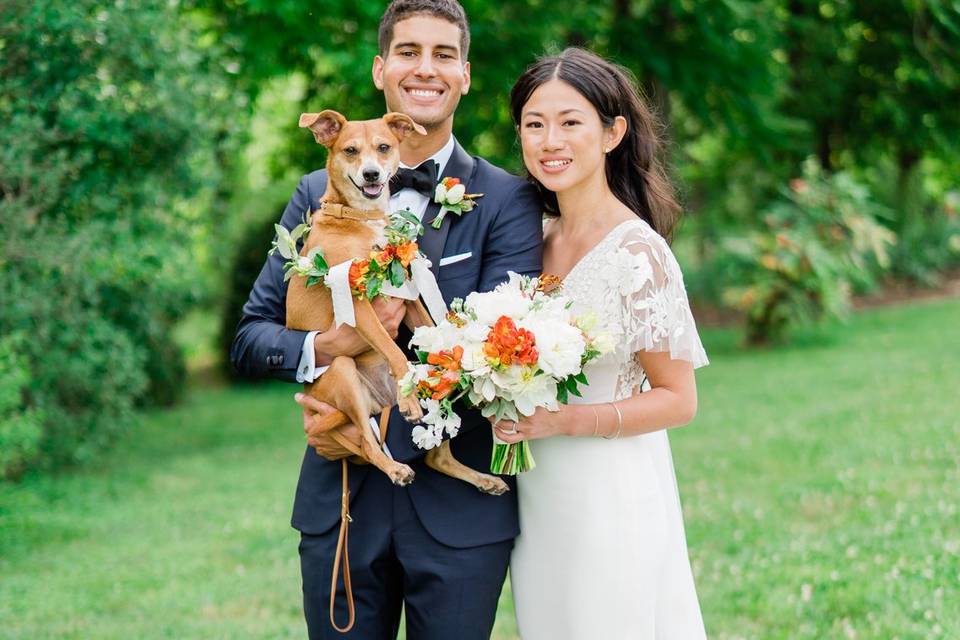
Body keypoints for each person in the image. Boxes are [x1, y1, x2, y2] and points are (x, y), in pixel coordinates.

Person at [230, 1, 542, 638]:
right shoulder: (316, 197)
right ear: (381, 70)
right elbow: (251, 334)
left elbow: (507, 352)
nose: (425, 68)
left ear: (465, 74)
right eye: (408, 52)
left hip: (457, 517)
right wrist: (324, 348)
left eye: (443, 54)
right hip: (341, 499)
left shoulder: (508, 199)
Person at [493, 48, 709, 638]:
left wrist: (566, 421)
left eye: (570, 122)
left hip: (611, 495)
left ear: (613, 132)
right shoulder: (529, 241)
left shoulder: (638, 255)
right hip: (539, 500)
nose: (549, 141)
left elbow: (678, 400)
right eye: (534, 125)